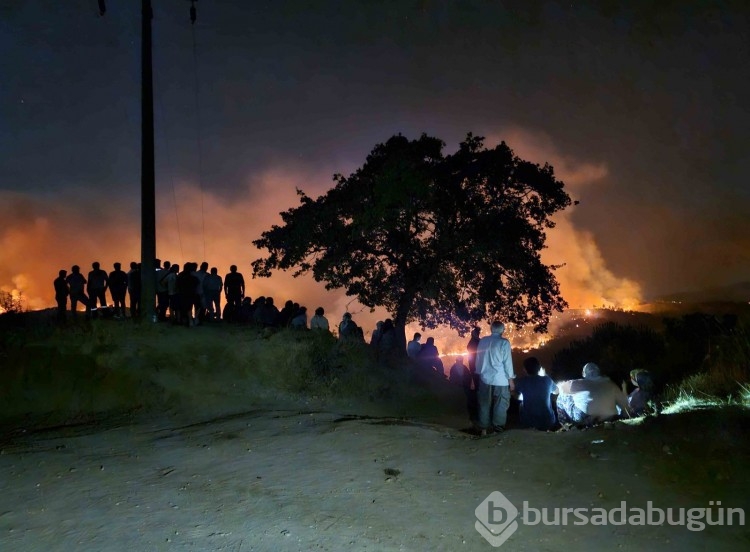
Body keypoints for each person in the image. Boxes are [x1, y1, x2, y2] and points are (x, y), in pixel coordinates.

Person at [556, 362, 631, 426]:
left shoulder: (578, 383)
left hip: (586, 418)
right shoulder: (611, 384)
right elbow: (624, 405)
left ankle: (566, 425)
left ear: (584, 374)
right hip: (608, 417)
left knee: (561, 396)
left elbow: (559, 388)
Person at [475, 321, 515, 435]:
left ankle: (483, 429)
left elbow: (478, 359)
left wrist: (478, 373)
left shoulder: (483, 341)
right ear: (503, 330)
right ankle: (497, 429)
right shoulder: (504, 343)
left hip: (485, 378)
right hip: (501, 379)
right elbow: (508, 363)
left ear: (491, 329)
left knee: (484, 403)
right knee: (501, 404)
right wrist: (510, 380)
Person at [514, 357, 558, 431]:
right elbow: (556, 391)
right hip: (547, 422)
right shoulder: (547, 380)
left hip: (529, 423)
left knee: (521, 404)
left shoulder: (522, 382)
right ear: (539, 368)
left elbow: (516, 396)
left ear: (525, 370)